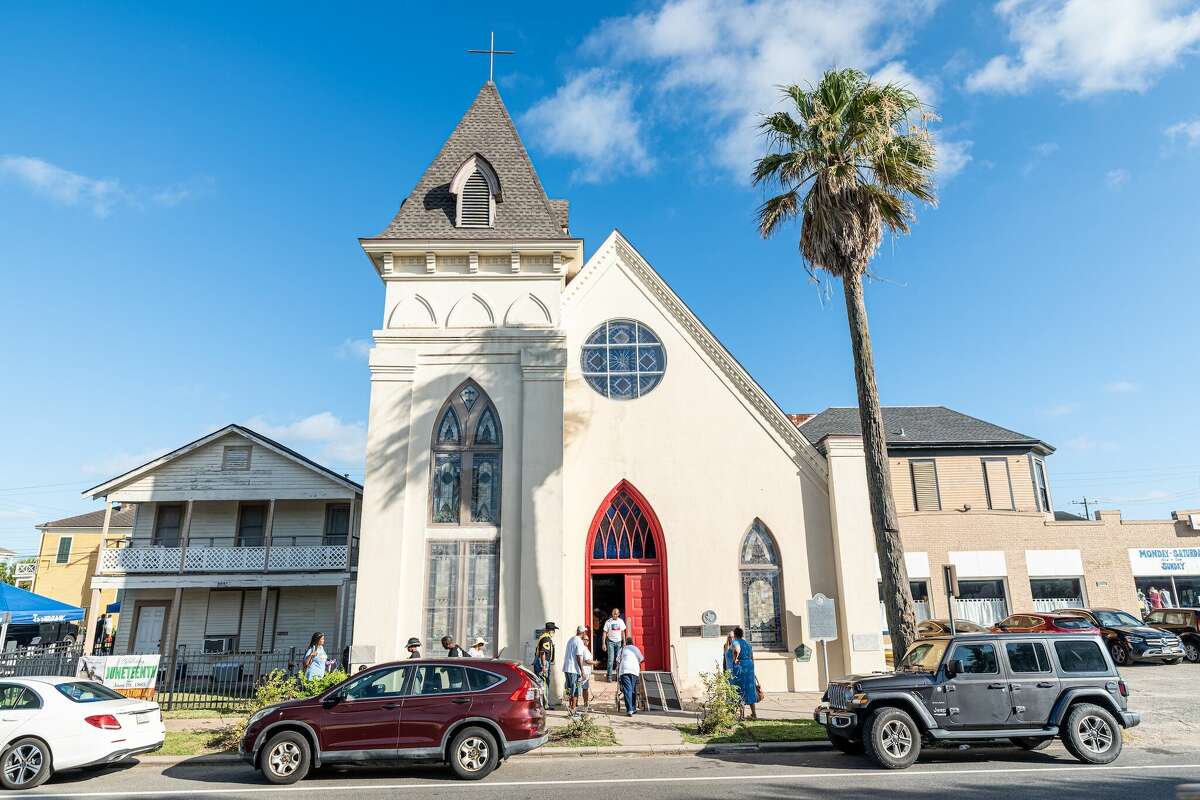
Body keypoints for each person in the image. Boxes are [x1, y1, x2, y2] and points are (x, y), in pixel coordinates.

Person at [729, 626, 758, 720]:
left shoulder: (736, 642)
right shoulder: (747, 643)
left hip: (741, 666)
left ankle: (742, 715)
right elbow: (751, 656)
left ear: (735, 635)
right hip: (749, 666)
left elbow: (737, 649)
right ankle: (754, 714)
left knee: (740, 689)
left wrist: (735, 658)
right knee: (750, 688)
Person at [562, 625, 588, 715]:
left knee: (570, 689)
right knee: (574, 690)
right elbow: (578, 656)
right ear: (583, 632)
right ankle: (573, 711)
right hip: (573, 669)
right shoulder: (579, 641)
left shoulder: (571, 639)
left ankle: (571, 709)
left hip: (567, 668)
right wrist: (582, 671)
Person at [616, 636, 645, 716]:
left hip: (624, 670)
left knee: (627, 690)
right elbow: (642, 659)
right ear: (632, 643)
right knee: (632, 689)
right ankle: (633, 708)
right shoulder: (636, 649)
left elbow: (617, 661)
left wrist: (617, 671)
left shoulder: (622, 649)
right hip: (634, 670)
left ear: (626, 643)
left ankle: (630, 709)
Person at [533, 622, 558, 709]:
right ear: (550, 630)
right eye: (553, 630)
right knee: (543, 684)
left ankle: (544, 704)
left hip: (543, 662)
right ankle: (543, 705)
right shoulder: (546, 639)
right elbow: (543, 652)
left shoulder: (544, 638)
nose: (554, 632)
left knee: (543, 683)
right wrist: (544, 666)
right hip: (542, 662)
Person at [602, 608, 627, 681]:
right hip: (610, 642)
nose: (615, 615)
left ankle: (618, 676)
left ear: (618, 614)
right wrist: (603, 644)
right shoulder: (608, 622)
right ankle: (609, 676)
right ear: (612, 613)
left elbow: (623, 632)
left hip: (618, 642)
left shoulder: (621, 621)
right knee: (610, 659)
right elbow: (604, 633)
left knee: (618, 660)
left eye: (616, 614)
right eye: (613, 613)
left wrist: (624, 642)